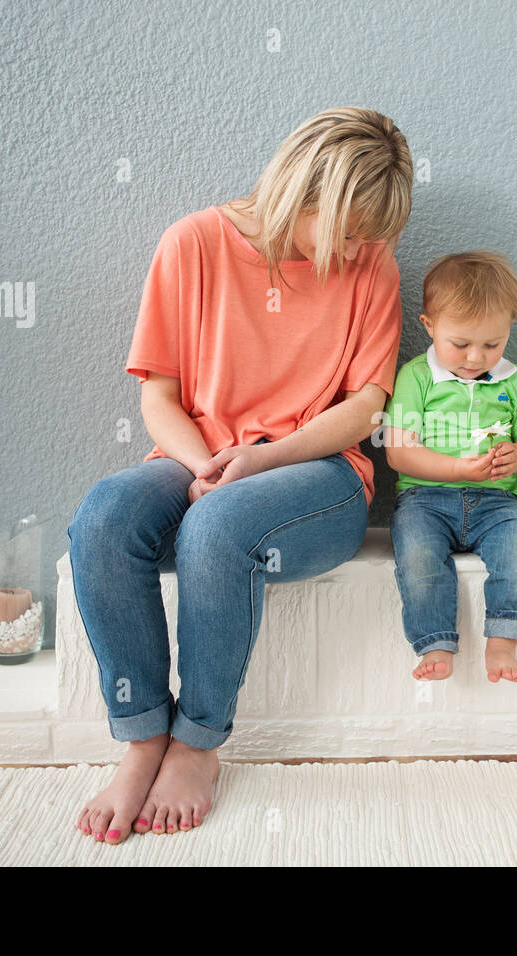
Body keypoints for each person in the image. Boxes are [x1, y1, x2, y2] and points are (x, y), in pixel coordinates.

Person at [67, 107, 413, 845]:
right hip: (200, 453)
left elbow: (365, 409)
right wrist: (204, 464)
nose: (363, 249)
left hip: (316, 474)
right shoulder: (192, 243)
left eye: (373, 236)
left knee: (219, 526)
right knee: (103, 518)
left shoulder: (371, 262)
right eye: (351, 230)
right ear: (302, 190)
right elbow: (158, 396)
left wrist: (258, 460)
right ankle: (142, 740)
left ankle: (197, 743)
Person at [381, 251, 517, 683]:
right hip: (426, 499)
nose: (476, 357)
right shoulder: (416, 377)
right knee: (417, 554)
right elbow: (399, 452)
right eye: (461, 344)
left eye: (492, 344)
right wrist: (457, 470)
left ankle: (504, 639)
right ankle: (436, 641)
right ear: (429, 326)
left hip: (497, 502)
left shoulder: (514, 380)